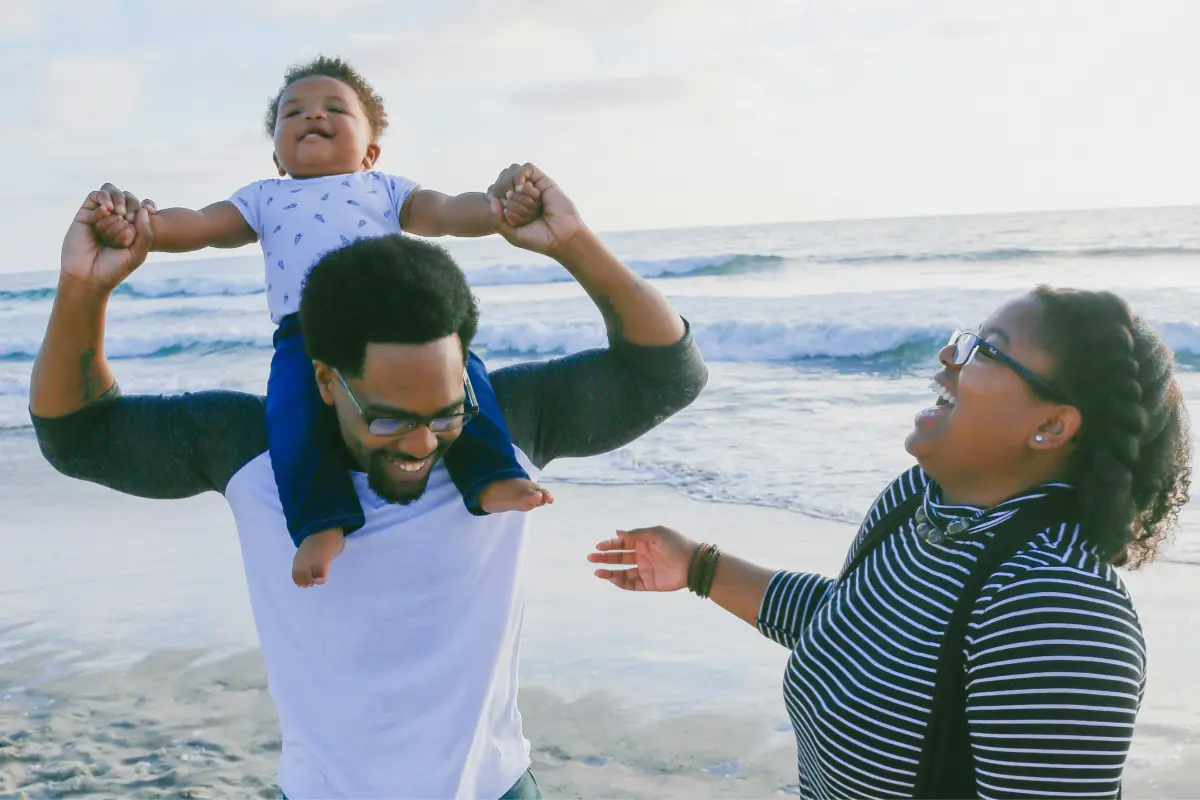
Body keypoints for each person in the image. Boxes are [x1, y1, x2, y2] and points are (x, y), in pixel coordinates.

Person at [31, 163, 708, 799]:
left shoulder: (506, 428)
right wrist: (85, 290)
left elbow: (669, 373)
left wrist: (573, 243)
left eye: (445, 414)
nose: (421, 442)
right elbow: (78, 435)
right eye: (387, 419)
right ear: (325, 379)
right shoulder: (251, 449)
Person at [588, 290, 1191, 798]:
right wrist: (698, 566)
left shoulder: (1057, 609)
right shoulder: (917, 501)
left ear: (1052, 426)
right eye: (967, 337)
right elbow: (857, 630)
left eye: (985, 350)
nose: (949, 356)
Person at [89, 55, 551, 589]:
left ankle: (492, 476)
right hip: (304, 334)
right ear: (277, 156)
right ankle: (321, 521)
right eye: (294, 113)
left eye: (334, 108)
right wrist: (140, 225)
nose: (312, 117)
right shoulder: (264, 197)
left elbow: (447, 211)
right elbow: (199, 225)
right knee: (291, 416)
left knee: (464, 376)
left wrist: (498, 209)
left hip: (396, 320)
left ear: (370, 151)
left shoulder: (386, 188)